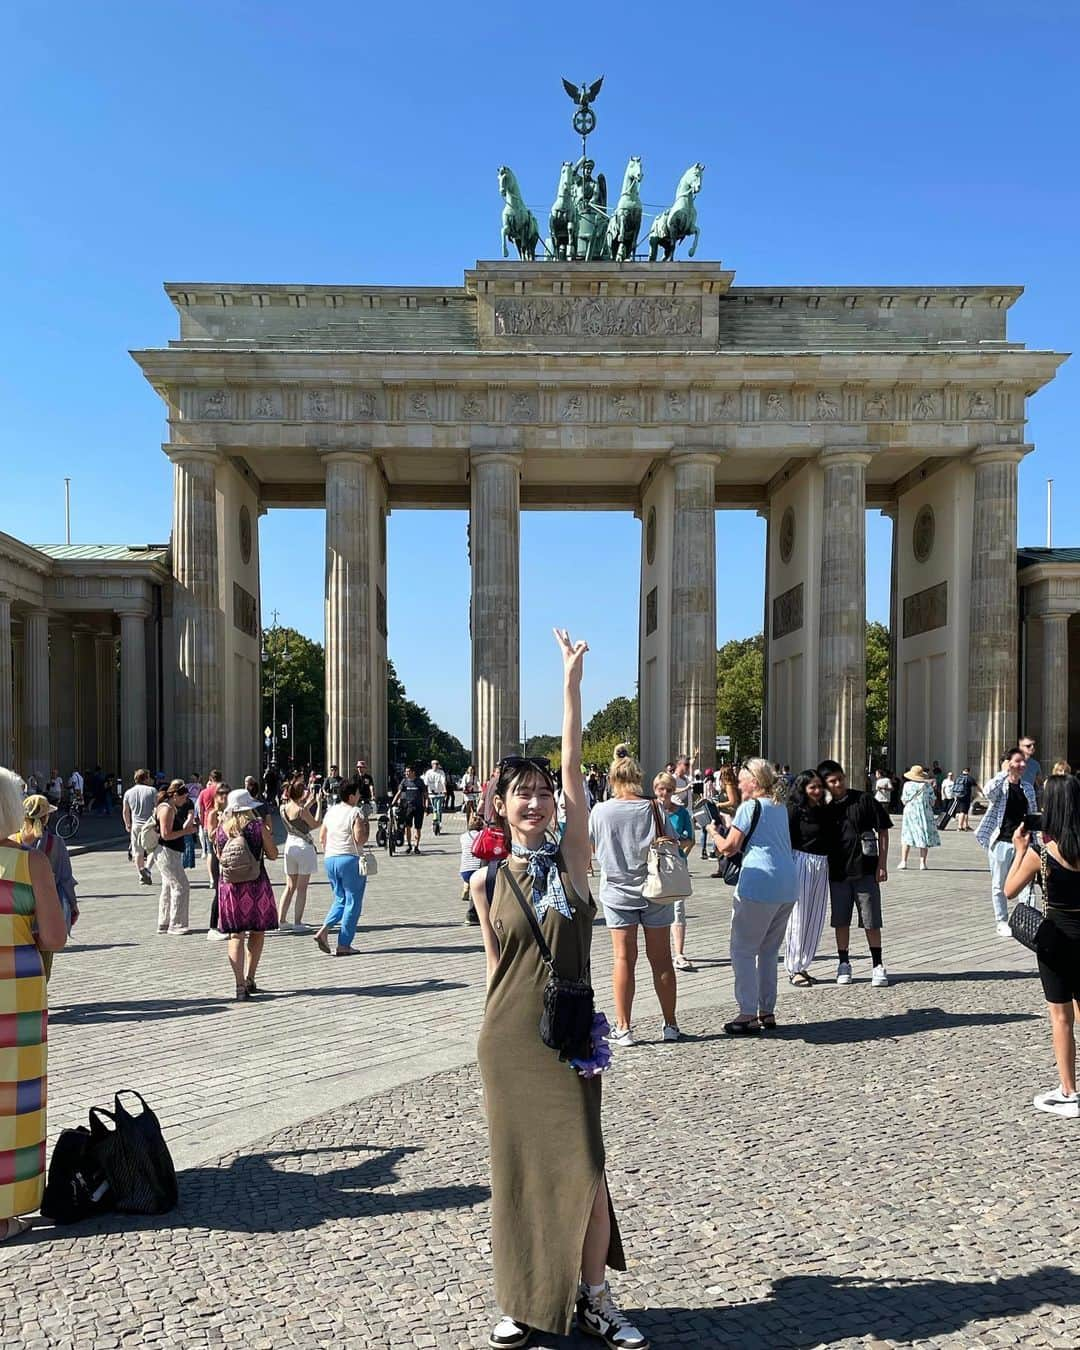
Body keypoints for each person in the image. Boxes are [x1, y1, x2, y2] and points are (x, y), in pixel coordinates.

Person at [473, 631, 647, 1350]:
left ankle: (595, 1298)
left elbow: (577, 767)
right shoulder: (486, 878)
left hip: (570, 1036)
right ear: (500, 806)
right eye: (523, 794)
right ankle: (519, 1300)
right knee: (516, 1176)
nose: (538, 802)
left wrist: (571, 684)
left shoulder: (573, 862)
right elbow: (493, 967)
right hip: (508, 1042)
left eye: (543, 793)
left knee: (587, 1171)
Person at [0, 766, 66, 1242]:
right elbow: (56, 936)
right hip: (15, 995)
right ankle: (8, 1209)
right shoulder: (29, 863)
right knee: (14, 1101)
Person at [588, 751, 680, 1047]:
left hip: (617, 892)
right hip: (656, 891)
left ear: (612, 779)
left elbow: (590, 847)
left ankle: (624, 1027)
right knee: (662, 960)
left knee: (623, 959)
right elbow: (673, 842)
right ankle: (670, 1024)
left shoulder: (600, 811)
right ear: (639, 779)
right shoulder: (654, 809)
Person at [1004, 774, 1080, 1117]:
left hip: (1055, 941)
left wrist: (1020, 851)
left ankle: (1068, 1091)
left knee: (1061, 1017)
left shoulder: (1042, 854)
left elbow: (1009, 890)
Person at [708, 759, 797, 1032]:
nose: (738, 783)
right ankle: (766, 1010)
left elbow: (729, 848)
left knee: (743, 950)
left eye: (742, 779)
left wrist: (713, 832)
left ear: (755, 783)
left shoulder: (750, 807)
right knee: (769, 951)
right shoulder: (779, 806)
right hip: (787, 883)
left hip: (759, 884)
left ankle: (747, 1012)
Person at [818, 759, 891, 987]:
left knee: (871, 919)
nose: (838, 784)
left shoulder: (864, 799)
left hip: (866, 869)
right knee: (841, 920)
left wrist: (882, 864)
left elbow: (883, 831)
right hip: (838, 872)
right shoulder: (824, 809)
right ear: (825, 784)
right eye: (832, 781)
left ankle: (877, 964)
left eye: (841, 778)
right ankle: (844, 962)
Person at [213, 788, 279, 1000]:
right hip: (255, 884)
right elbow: (273, 854)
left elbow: (219, 856)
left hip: (230, 888)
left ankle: (239, 984)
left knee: (235, 935)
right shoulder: (257, 826)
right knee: (257, 931)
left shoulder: (221, 830)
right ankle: (250, 977)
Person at [976, 747, 1038, 937]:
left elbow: (1032, 813)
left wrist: (1035, 838)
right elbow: (987, 792)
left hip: (1024, 842)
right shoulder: (1001, 786)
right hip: (1002, 841)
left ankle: (1025, 918)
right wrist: (1004, 772)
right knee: (999, 884)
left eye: (1023, 762)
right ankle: (1001, 921)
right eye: (1018, 761)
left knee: (1027, 884)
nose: (1022, 765)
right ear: (1008, 763)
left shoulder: (1027, 787)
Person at [16, 795, 78, 979]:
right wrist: (72, 906)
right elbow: (66, 879)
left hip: (17, 908)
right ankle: (40, 993)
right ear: (45, 818)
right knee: (44, 959)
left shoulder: (13, 841)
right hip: (44, 910)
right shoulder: (55, 843)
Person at [783, 770, 832, 987]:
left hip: (821, 863)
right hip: (800, 861)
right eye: (812, 787)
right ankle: (793, 967)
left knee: (816, 915)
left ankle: (804, 963)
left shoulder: (823, 810)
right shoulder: (794, 810)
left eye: (819, 786)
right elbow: (786, 839)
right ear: (803, 788)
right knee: (799, 915)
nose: (817, 791)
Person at [313, 780, 369, 957]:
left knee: (340, 899)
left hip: (331, 859)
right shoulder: (355, 812)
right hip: (349, 859)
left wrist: (330, 851)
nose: (359, 796)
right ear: (351, 796)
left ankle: (325, 929)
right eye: (358, 793)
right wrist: (366, 826)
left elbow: (322, 836)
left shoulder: (331, 811)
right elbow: (360, 838)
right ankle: (344, 944)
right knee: (353, 901)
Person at [653, 772, 695, 972]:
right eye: (661, 789)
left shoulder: (682, 813)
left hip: (675, 866)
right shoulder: (649, 810)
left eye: (669, 790)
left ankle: (679, 953)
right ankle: (658, 952)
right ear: (655, 790)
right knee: (654, 909)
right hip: (654, 867)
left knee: (678, 908)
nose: (665, 793)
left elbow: (690, 839)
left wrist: (679, 848)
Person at [153, 779, 198, 935]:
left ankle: (164, 923)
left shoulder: (168, 807)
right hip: (167, 852)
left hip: (169, 852)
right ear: (176, 795)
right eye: (184, 797)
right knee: (181, 886)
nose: (185, 800)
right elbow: (166, 835)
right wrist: (186, 832)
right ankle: (176, 924)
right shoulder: (167, 809)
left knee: (168, 887)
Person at [279, 777, 320, 931]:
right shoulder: (301, 810)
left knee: (289, 886)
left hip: (290, 845)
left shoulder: (283, 808)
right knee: (302, 888)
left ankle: (281, 920)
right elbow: (315, 823)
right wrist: (320, 804)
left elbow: (299, 816)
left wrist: (310, 803)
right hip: (304, 847)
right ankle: (297, 922)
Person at [899, 765, 941, 870]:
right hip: (924, 812)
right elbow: (932, 801)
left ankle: (904, 861)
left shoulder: (907, 785)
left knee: (907, 836)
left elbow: (904, 800)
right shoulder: (927, 786)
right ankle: (922, 863)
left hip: (910, 812)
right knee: (923, 836)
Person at [204, 780, 231, 943]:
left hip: (229, 854)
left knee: (228, 890)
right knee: (218, 891)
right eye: (222, 793)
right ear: (216, 796)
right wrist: (221, 821)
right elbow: (211, 835)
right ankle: (212, 927)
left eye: (227, 793)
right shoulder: (213, 813)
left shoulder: (231, 811)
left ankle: (226, 923)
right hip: (217, 855)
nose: (225, 796)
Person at [122, 769, 158, 886]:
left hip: (135, 825)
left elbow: (125, 811)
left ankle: (141, 876)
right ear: (146, 778)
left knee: (138, 852)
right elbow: (157, 808)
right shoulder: (152, 790)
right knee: (155, 849)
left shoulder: (128, 792)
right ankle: (147, 869)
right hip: (149, 824)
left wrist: (128, 823)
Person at [392, 766, 428, 854]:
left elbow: (425, 795)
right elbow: (399, 793)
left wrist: (426, 807)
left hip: (419, 807)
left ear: (413, 772)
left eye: (408, 772)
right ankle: (409, 845)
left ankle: (416, 846)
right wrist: (392, 803)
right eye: (406, 772)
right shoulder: (404, 781)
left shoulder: (419, 782)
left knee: (418, 828)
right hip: (408, 807)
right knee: (408, 827)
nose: (406, 773)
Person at [423, 760, 448, 833]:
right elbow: (426, 783)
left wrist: (445, 790)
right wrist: (425, 792)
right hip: (431, 794)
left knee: (438, 808)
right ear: (432, 765)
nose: (436, 765)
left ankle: (439, 822)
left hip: (440, 793)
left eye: (437, 764)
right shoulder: (428, 772)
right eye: (434, 764)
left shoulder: (441, 772)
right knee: (434, 809)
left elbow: (443, 782)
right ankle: (434, 821)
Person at [1019, 736, 1043, 801]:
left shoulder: (1035, 764)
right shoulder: (1014, 762)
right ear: (1020, 747)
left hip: (1029, 800)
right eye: (1028, 746)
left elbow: (1040, 785)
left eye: (1033, 745)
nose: (1032, 747)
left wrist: (1035, 797)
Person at [952, 766, 975, 832]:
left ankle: (966, 825)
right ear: (968, 771)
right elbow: (976, 785)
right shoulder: (969, 778)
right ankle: (960, 827)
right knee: (963, 812)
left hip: (958, 796)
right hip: (966, 797)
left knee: (964, 812)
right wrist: (982, 792)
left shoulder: (958, 778)